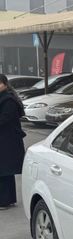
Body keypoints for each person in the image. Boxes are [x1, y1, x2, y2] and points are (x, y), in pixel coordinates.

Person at [0, 74, 26, 209]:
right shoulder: (4, 98)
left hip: (8, 141)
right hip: (6, 140)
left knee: (4, 171)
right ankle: (9, 199)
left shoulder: (8, 100)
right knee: (6, 172)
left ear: (5, 84)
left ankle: (4, 201)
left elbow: (4, 119)